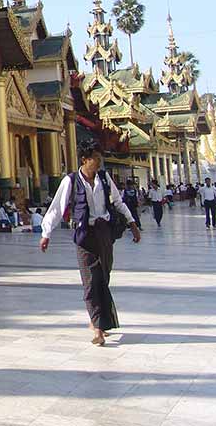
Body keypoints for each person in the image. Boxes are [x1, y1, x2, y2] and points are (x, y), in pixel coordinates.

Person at [39, 141, 140, 347]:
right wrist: (46, 232)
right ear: (85, 160)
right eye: (95, 157)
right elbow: (57, 207)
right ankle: (98, 328)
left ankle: (97, 318)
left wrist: (132, 223)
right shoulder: (71, 180)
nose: (99, 161)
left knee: (104, 276)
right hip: (84, 233)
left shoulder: (104, 178)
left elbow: (118, 201)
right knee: (90, 280)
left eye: (100, 157)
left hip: (104, 232)